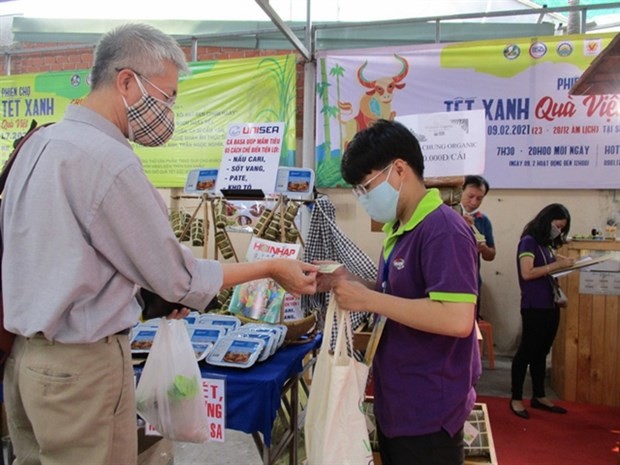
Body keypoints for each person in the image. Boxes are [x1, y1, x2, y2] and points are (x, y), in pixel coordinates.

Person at [0, 24, 317, 465]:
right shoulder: (108, 161)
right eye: (167, 96)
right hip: (82, 371)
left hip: (26, 363)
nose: (169, 110)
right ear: (127, 81)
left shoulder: (38, 144)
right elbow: (178, 279)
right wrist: (269, 268)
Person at [319, 119, 481, 465]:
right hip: (399, 400)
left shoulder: (443, 231)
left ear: (399, 170)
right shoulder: (401, 228)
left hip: (429, 411)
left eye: (366, 186)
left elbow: (456, 319)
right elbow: (401, 299)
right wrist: (349, 281)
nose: (363, 198)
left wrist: (369, 299)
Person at [510, 203, 575, 420]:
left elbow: (550, 269)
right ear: (546, 221)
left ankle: (539, 395)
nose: (558, 230)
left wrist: (563, 263)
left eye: (562, 228)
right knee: (526, 352)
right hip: (534, 306)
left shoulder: (546, 245)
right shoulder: (528, 241)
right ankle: (516, 398)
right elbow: (527, 272)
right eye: (557, 225)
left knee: (541, 352)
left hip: (550, 305)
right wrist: (555, 266)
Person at [460, 175, 496, 319]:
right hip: (446, 281)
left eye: (479, 198)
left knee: (471, 324)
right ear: (460, 191)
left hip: (472, 281)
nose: (474, 202)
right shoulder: (447, 214)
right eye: (470, 196)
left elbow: (491, 255)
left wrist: (483, 249)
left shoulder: (483, 220)